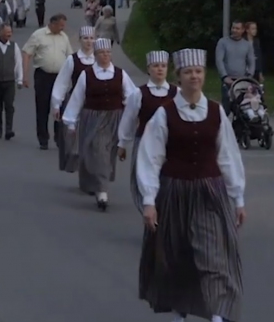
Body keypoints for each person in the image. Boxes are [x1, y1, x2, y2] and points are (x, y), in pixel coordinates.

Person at [136, 48, 246, 322]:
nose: (193, 77)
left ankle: (220, 313)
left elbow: (228, 156)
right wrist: (149, 201)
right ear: (179, 77)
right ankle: (181, 309)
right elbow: (151, 158)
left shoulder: (216, 112)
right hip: (175, 191)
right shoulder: (165, 114)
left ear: (204, 75)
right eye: (188, 72)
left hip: (210, 192)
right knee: (178, 255)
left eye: (198, 72)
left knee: (214, 255)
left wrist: (238, 197)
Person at [62, 38, 136, 211]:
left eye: (108, 53)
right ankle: (102, 192)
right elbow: (77, 98)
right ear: (96, 55)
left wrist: (134, 113)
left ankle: (97, 182)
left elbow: (132, 95)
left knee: (107, 154)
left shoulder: (120, 74)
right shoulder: (87, 75)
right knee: (98, 150)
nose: (106, 56)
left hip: (115, 118)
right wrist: (71, 122)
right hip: (93, 118)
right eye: (102, 53)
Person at [116, 51, 176, 215]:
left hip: (169, 145)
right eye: (156, 66)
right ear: (149, 69)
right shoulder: (139, 94)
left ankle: (164, 213)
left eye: (163, 66)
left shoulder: (175, 93)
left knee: (166, 181)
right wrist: (122, 143)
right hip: (143, 143)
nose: (160, 69)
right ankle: (148, 210)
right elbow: (129, 118)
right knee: (142, 179)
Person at [22, 14, 74, 150]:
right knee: (42, 107)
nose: (63, 28)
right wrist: (25, 74)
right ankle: (43, 138)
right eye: (61, 25)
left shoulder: (64, 37)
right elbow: (27, 53)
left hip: (60, 77)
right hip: (43, 75)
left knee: (61, 107)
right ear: (53, 23)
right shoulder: (39, 35)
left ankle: (59, 135)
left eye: (64, 25)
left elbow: (70, 57)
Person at [48, 25, 94, 167]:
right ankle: (74, 158)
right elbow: (62, 82)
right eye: (85, 38)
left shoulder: (99, 60)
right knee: (73, 133)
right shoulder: (72, 60)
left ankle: (89, 161)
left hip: (94, 101)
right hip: (75, 100)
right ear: (80, 40)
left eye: (92, 38)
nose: (89, 41)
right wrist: (57, 104)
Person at [214, 21, 254, 112]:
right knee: (227, 106)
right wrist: (224, 76)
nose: (234, 30)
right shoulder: (223, 42)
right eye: (233, 28)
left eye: (237, 28)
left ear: (243, 30)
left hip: (241, 80)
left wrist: (249, 75)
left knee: (242, 107)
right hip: (228, 79)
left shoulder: (247, 45)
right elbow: (219, 60)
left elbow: (251, 61)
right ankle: (223, 124)